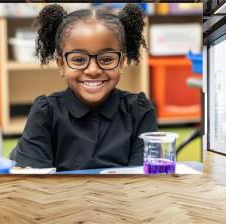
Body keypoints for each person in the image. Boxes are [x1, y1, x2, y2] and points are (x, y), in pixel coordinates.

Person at [10, 3, 158, 171]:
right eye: (79, 60)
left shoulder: (140, 111)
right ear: (61, 65)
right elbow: (34, 183)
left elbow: (143, 181)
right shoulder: (45, 114)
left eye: (107, 59)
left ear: (121, 62)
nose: (93, 70)